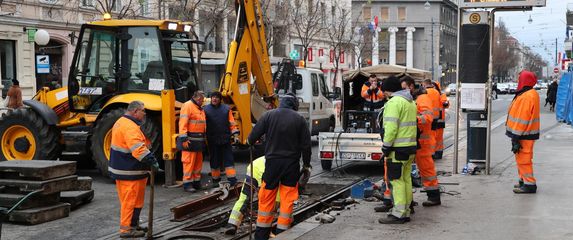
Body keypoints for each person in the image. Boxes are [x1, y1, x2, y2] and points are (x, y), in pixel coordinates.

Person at [248, 93, 312, 239]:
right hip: (291, 165)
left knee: (267, 197)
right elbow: (306, 146)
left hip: (272, 164)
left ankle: (261, 235)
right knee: (287, 199)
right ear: (294, 105)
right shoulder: (299, 119)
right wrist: (307, 165)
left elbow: (251, 138)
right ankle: (283, 233)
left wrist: (249, 141)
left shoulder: (268, 116)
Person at [109, 101, 159, 238]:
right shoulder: (129, 127)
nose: (144, 113)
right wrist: (151, 160)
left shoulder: (124, 122)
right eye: (143, 111)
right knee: (129, 201)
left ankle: (133, 224)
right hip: (129, 170)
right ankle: (126, 230)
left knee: (136, 201)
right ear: (135, 111)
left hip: (133, 170)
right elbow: (138, 150)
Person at [378, 76, 418, 224]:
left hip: (397, 149)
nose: (384, 95)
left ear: (388, 90)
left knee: (397, 180)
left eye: (384, 91)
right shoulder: (410, 102)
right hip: (410, 147)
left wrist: (385, 147)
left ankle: (399, 213)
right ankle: (406, 209)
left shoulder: (393, 103)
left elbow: (391, 128)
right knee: (406, 179)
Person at [401, 77, 441, 207]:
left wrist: (411, 119)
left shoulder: (422, 99)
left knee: (426, 169)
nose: (403, 90)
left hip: (423, 141)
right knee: (420, 169)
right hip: (418, 140)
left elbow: (427, 117)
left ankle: (434, 196)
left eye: (404, 87)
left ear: (411, 87)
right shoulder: (417, 98)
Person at [506, 70, 540, 194]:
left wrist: (516, 136)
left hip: (523, 134)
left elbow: (522, 117)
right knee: (522, 158)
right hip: (526, 133)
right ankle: (524, 180)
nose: (518, 81)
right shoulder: (529, 93)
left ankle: (529, 184)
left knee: (524, 159)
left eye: (520, 78)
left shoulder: (527, 96)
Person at [204, 91, 240, 187]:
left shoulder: (226, 109)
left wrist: (235, 135)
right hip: (212, 139)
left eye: (216, 97)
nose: (214, 99)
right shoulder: (205, 110)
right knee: (214, 160)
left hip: (225, 138)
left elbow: (232, 123)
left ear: (220, 99)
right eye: (213, 97)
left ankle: (232, 179)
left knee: (229, 160)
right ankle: (215, 180)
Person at [178, 91, 207, 192]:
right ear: (197, 98)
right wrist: (184, 138)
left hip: (198, 141)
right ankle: (187, 184)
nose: (202, 102)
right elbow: (183, 123)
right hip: (190, 140)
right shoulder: (188, 106)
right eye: (201, 100)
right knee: (189, 163)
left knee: (198, 163)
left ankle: (196, 182)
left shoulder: (199, 108)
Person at [423, 79, 444, 160]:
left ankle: (430, 153)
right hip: (436, 117)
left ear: (425, 84)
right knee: (435, 136)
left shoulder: (425, 92)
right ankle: (437, 152)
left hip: (428, 117)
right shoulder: (436, 92)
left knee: (428, 136)